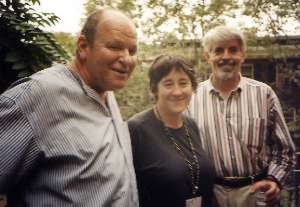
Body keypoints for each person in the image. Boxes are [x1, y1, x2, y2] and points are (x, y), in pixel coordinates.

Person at [0, 9, 139, 207]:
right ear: (83, 47)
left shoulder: (106, 88)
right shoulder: (39, 96)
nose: (126, 59)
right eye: (115, 47)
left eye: (132, 51)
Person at [187, 25, 296, 207]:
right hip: (212, 195)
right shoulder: (192, 98)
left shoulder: (264, 94)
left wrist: (274, 179)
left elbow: (285, 150)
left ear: (243, 55)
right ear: (207, 56)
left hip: (257, 192)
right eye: (219, 50)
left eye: (233, 50)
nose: (226, 56)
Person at [128, 55, 215, 207]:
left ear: (192, 87)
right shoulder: (137, 129)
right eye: (168, 84)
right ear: (154, 89)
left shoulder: (191, 125)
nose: (177, 92)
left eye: (183, 83)